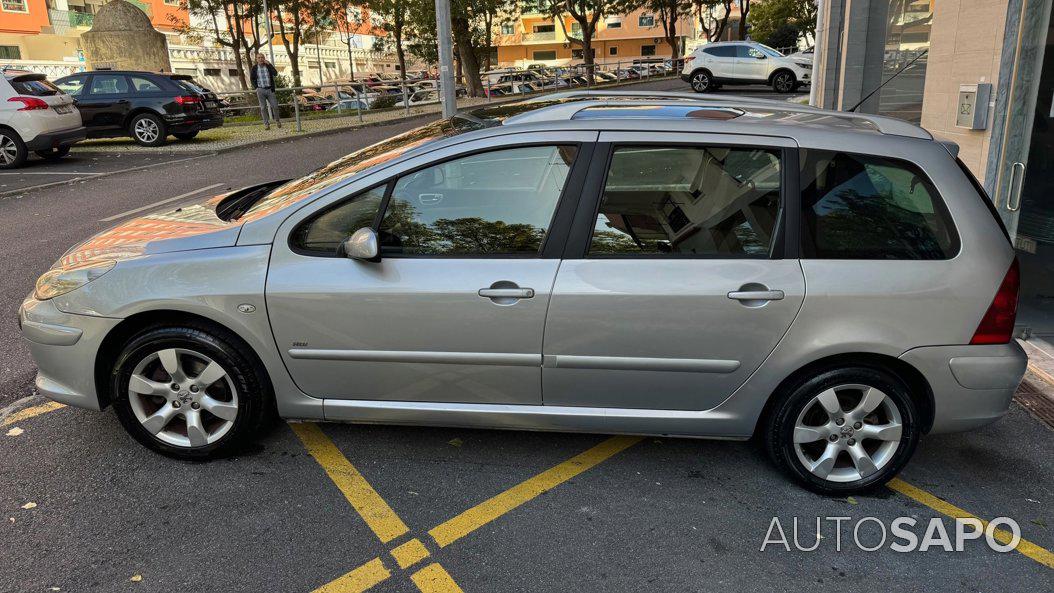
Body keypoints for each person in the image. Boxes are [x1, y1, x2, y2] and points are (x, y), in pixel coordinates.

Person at [250, 54, 281, 130]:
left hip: (270, 90)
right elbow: (252, 79)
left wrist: (269, 64)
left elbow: (275, 73)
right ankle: (266, 124)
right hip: (260, 90)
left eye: (262, 57)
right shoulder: (254, 68)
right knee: (263, 108)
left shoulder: (268, 66)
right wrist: (256, 87)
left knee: (275, 106)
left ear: (264, 59)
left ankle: (277, 121)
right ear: (256, 59)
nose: (261, 59)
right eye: (259, 58)